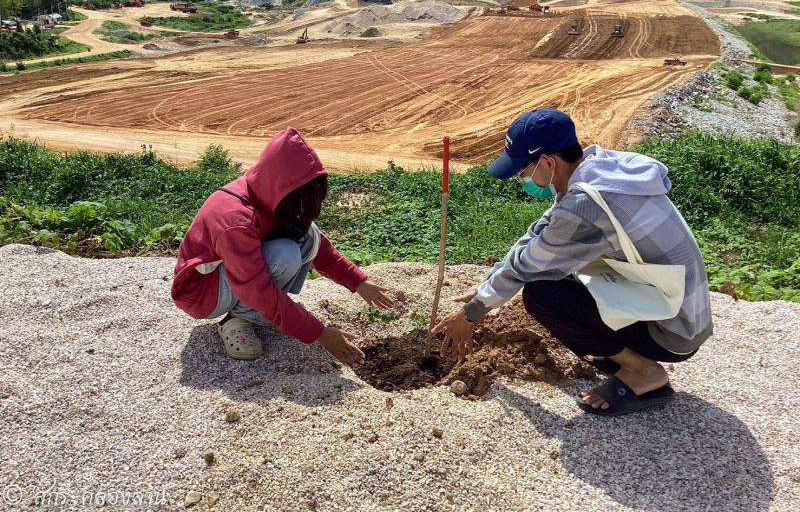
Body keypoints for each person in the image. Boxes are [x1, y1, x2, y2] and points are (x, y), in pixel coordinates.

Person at [433, 108, 712, 416]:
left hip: (673, 332)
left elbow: (530, 266)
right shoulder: (599, 170)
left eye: (523, 173)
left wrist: (471, 314)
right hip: (679, 306)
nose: (522, 181)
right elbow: (538, 234)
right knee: (559, 274)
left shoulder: (585, 205)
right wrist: (490, 284)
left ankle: (643, 371)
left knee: (542, 294)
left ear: (549, 162)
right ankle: (620, 355)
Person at [172, 127, 393, 365]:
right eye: (300, 202)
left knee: (310, 235)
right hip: (202, 292)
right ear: (286, 192)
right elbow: (256, 288)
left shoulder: (266, 191)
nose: (302, 209)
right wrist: (319, 333)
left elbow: (319, 249)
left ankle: (253, 313)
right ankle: (235, 321)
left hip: (232, 275)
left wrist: (358, 282)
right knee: (284, 254)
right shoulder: (235, 222)